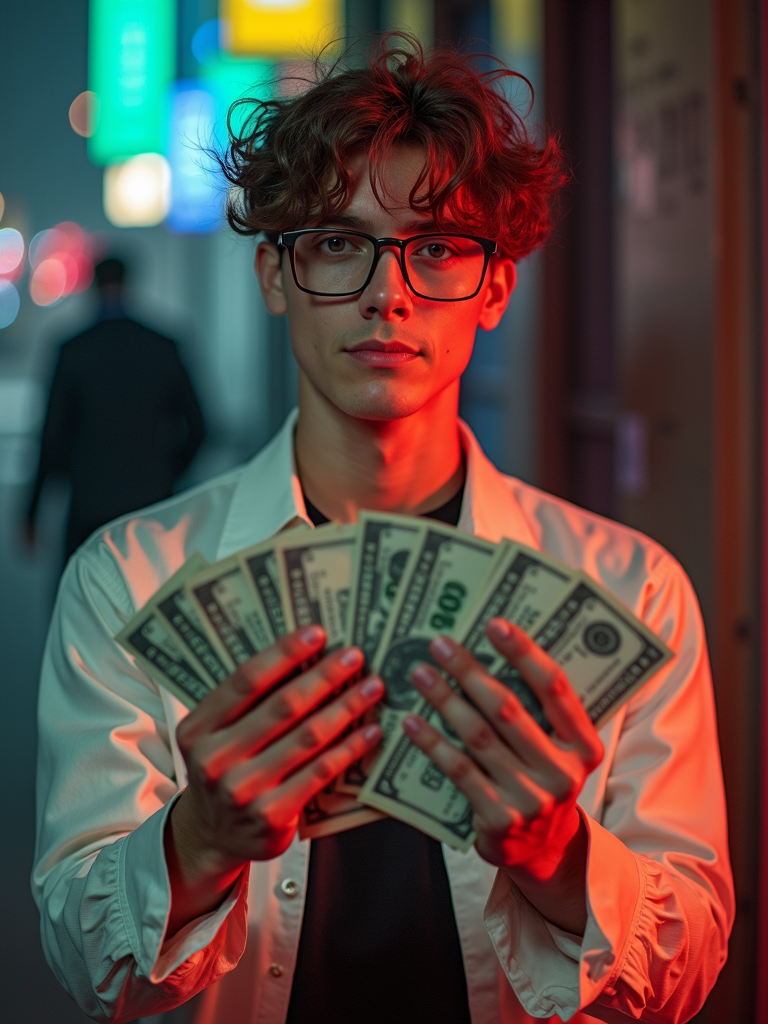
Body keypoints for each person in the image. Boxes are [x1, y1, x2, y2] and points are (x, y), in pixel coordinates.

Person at [32, 38, 733, 1024]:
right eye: (334, 241)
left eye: (438, 246)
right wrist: (199, 838)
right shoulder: (127, 578)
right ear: (276, 276)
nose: (386, 291)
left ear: (495, 288)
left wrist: (557, 854)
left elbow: (691, 968)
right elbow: (87, 958)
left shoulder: (632, 588)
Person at [25, 256, 205, 561]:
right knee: (151, 601)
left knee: (82, 600)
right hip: (152, 504)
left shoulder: (73, 350)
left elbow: (52, 437)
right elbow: (199, 427)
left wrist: (31, 513)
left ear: (94, 286)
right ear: (128, 283)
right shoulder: (163, 346)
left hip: (89, 504)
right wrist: (166, 472)